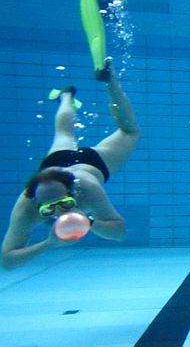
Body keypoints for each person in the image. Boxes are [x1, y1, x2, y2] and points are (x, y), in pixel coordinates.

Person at [1, 60, 140, 270]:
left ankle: (111, 82)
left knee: (129, 132)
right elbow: (7, 261)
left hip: (90, 164)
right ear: (37, 203)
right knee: (65, 132)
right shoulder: (27, 206)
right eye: (48, 210)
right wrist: (48, 244)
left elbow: (119, 232)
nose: (59, 214)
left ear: (74, 192)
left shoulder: (88, 187)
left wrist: (90, 221)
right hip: (55, 164)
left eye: (65, 204)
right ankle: (66, 96)